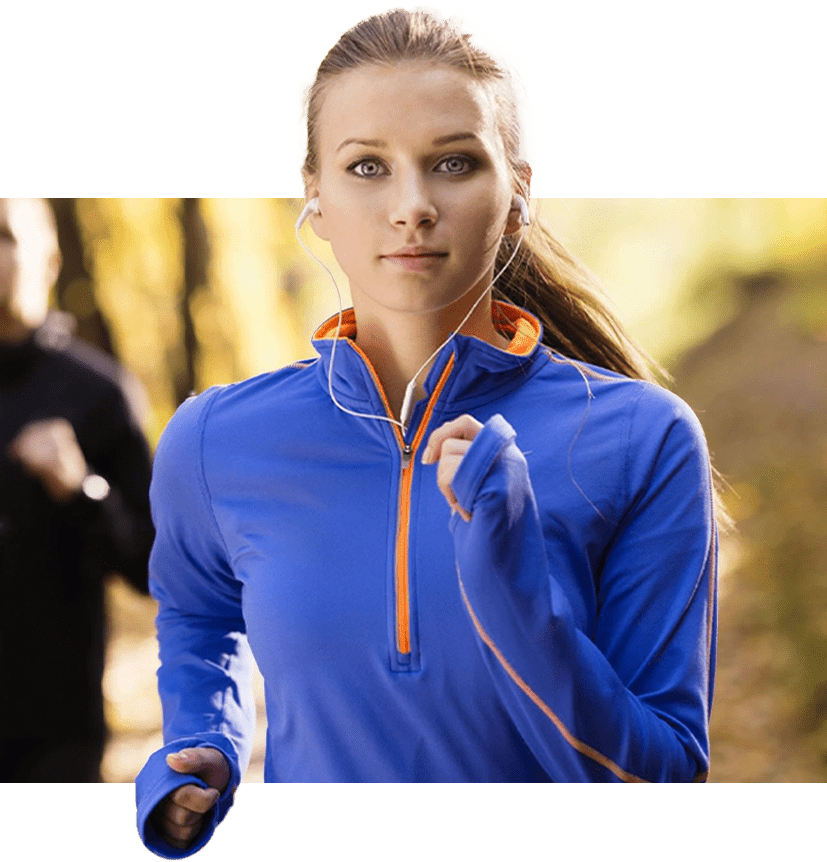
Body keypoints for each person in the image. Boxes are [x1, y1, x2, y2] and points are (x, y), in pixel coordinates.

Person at [136, 5, 720, 855]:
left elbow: (663, 768)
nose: (411, 207)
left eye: (453, 163)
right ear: (317, 201)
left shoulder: (643, 438)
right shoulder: (213, 440)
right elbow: (196, 614)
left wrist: (511, 590)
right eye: (366, 166)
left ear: (518, 196)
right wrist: (202, 744)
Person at [0, 197, 155, 782]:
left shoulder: (99, 393)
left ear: (50, 257)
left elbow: (149, 562)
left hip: (56, 731)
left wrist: (80, 489)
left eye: (6, 237)